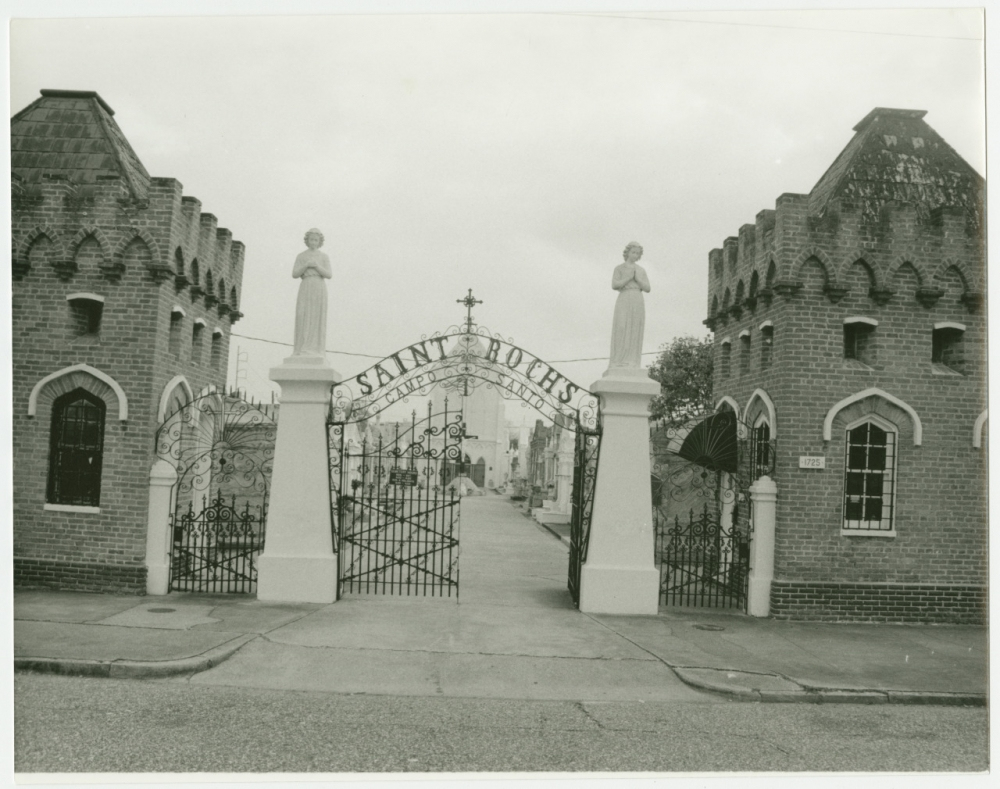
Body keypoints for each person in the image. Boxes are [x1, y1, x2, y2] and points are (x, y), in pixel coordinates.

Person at [608, 241, 650, 370]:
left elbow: (647, 288)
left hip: (637, 299)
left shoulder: (641, 270)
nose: (635, 255)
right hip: (624, 298)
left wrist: (637, 279)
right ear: (627, 253)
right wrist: (628, 278)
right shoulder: (619, 268)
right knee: (622, 327)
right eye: (633, 252)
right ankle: (618, 360)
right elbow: (614, 285)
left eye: (638, 253)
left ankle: (632, 361)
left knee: (634, 329)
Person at [292, 228, 332, 357]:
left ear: (320, 241)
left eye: (316, 240)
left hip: (318, 286)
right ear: (307, 241)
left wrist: (317, 266)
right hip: (306, 285)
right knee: (303, 316)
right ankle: (300, 348)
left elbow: (329, 274)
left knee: (316, 317)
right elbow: (294, 274)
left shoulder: (323, 256)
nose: (313, 242)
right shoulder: (301, 256)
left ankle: (316, 349)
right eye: (311, 239)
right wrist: (306, 266)